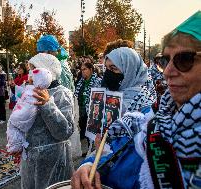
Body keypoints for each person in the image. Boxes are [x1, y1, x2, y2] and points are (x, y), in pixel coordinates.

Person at [71, 10, 201, 189]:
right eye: (164, 60)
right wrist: (90, 164)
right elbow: (118, 144)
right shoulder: (156, 115)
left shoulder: (146, 106)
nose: (169, 72)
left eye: (184, 59)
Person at [20, 53, 74, 189]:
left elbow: (64, 131)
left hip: (53, 160)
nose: (31, 74)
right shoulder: (30, 90)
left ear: (47, 70)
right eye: (30, 69)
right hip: (29, 159)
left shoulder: (62, 93)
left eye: (34, 69)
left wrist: (47, 104)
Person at [7, 68, 52, 153]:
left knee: (14, 127)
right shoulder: (35, 89)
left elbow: (28, 100)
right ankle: (16, 145)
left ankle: (15, 146)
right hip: (23, 112)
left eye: (33, 76)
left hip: (22, 114)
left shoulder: (35, 90)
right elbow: (24, 95)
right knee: (16, 128)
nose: (30, 76)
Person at [74, 63, 101, 140]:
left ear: (91, 70)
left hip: (91, 112)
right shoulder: (80, 82)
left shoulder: (98, 81)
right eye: (81, 70)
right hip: (81, 111)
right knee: (83, 130)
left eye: (85, 69)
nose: (82, 71)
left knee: (91, 134)